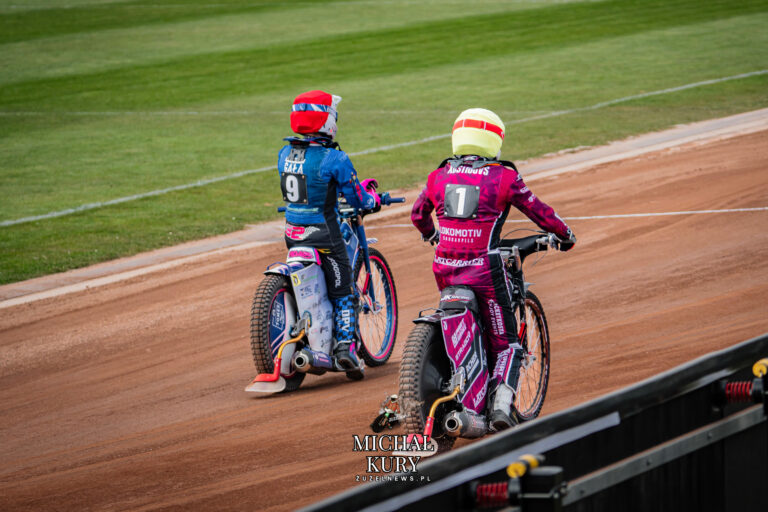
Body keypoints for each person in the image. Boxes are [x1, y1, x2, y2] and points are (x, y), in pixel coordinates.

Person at [410, 108, 576, 431]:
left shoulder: (438, 175)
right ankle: (501, 405)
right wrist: (564, 234)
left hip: (444, 268)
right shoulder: (504, 177)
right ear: (493, 141)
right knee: (507, 343)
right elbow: (539, 212)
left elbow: (418, 214)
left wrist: (432, 235)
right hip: (485, 271)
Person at [278, 90, 379, 370]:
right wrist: (372, 200)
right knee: (344, 290)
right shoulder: (335, 158)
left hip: (293, 233)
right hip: (324, 234)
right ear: (327, 120)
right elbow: (358, 198)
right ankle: (346, 348)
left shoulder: (284, 153)